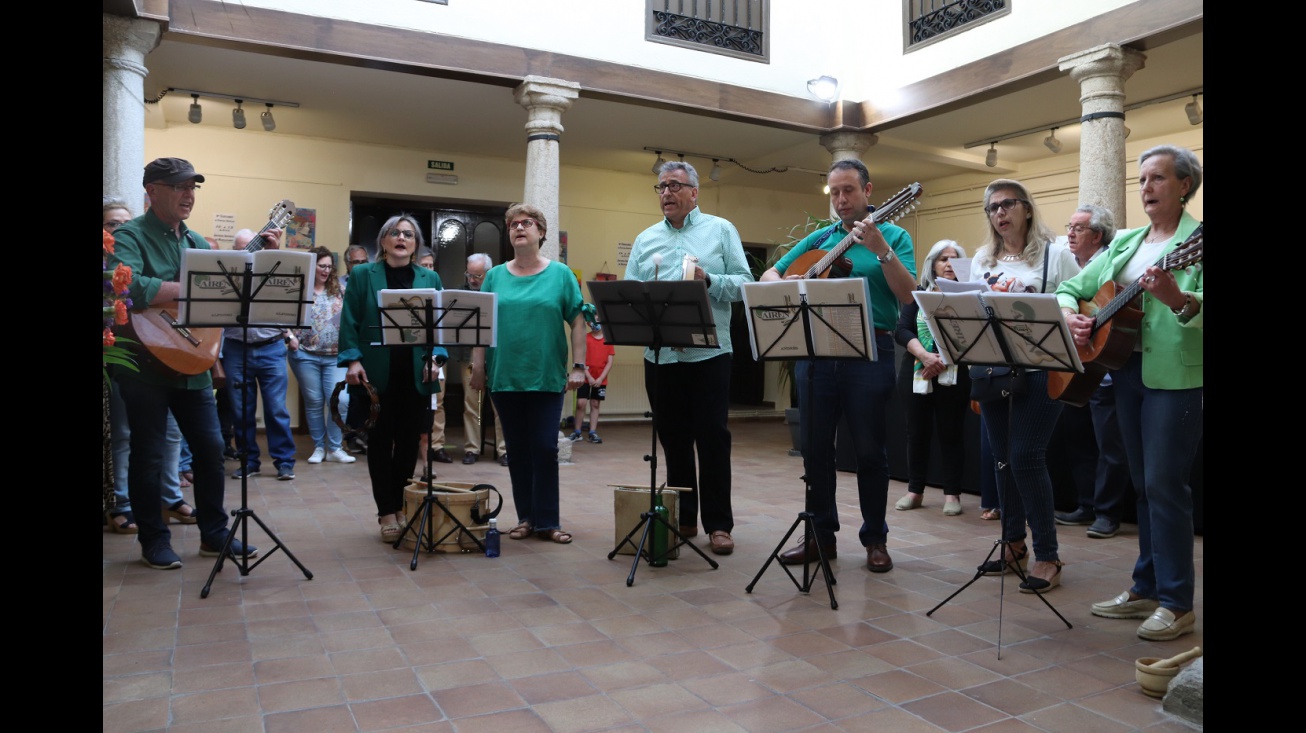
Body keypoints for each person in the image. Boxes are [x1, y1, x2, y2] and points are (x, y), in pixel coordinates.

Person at [1058, 145, 1203, 641]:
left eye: (1158, 179)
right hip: (1124, 370)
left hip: (1176, 379)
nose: (1146, 188)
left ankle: (1177, 602)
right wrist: (1074, 315)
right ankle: (1145, 586)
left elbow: (1198, 311)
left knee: (1166, 485)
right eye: (1141, 179)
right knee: (1141, 485)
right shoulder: (1128, 242)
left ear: (1185, 185)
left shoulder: (1196, 242)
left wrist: (1180, 300)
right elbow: (1071, 288)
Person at [107, 157, 276, 568]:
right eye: (180, 187)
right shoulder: (129, 236)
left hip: (194, 360)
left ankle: (214, 534)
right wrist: (187, 289)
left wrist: (259, 267)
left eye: (193, 187)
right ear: (152, 191)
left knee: (211, 448)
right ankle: (154, 540)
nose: (189, 195)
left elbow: (225, 292)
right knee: (147, 453)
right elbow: (125, 285)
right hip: (144, 361)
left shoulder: (197, 241)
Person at [761, 159, 917, 571]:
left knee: (869, 449)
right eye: (834, 192)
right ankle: (820, 536)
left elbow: (908, 296)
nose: (841, 199)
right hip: (815, 353)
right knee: (814, 449)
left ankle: (875, 540)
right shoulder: (822, 237)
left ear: (868, 190)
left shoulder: (894, 235)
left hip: (870, 351)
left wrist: (881, 250)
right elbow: (768, 276)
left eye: (849, 190)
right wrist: (798, 282)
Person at [625, 161, 754, 555]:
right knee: (673, 440)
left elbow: (746, 284)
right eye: (661, 186)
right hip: (660, 356)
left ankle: (718, 524)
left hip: (709, 354)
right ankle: (683, 517)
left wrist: (709, 280)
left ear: (694, 193)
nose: (666, 192)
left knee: (712, 440)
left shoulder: (720, 229)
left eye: (675, 186)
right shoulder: (645, 238)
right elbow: (630, 290)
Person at [970, 178, 1080, 593]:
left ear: (1027, 209)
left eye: (1008, 204)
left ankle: (1048, 555)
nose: (1000, 213)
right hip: (995, 369)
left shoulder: (1057, 255)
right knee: (1001, 458)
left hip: (1042, 370)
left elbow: (1078, 300)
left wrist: (1038, 300)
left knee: (1025, 456)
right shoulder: (982, 259)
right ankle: (1013, 542)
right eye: (993, 207)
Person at [470, 203, 585, 544]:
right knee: (517, 450)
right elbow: (480, 324)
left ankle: (548, 521)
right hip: (505, 376)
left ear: (541, 232)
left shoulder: (561, 275)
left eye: (527, 223)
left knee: (545, 446)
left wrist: (579, 366)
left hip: (547, 375)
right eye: (513, 225)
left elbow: (578, 320)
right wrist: (478, 366)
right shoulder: (495, 276)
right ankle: (525, 518)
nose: (519, 228)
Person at [339, 214, 448, 542]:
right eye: (395, 233)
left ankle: (401, 504)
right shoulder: (362, 275)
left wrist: (436, 356)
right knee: (380, 442)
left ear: (415, 245)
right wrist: (352, 360)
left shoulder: (430, 277)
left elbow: (440, 329)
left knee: (410, 442)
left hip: (416, 373)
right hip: (376, 374)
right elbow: (350, 320)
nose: (402, 238)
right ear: (383, 242)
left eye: (409, 234)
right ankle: (386, 511)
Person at [104, 196, 199, 535]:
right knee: (125, 434)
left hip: (154, 352)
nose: (119, 229)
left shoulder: (142, 255)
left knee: (172, 433)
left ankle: (170, 497)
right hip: (117, 356)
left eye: (123, 223)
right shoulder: (115, 265)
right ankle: (121, 501)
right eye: (112, 224)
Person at [1053, 204, 1131, 539]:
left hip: (1111, 371)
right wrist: (1073, 317)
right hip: (1081, 367)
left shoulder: (1119, 260)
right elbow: (1068, 294)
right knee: (1079, 440)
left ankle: (1108, 513)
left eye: (1078, 228)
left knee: (1110, 447)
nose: (1069, 233)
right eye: (1069, 227)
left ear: (1097, 235)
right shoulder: (1078, 271)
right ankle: (1087, 504)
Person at [893, 240, 971, 517]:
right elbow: (901, 331)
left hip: (955, 374)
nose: (949, 264)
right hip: (916, 371)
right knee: (916, 433)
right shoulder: (917, 295)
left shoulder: (969, 297)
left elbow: (971, 335)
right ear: (932, 264)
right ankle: (915, 491)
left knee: (951, 433)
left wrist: (940, 359)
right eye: (943, 259)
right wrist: (925, 357)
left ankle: (952, 494)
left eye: (955, 259)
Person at [224, 228, 298, 482]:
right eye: (243, 249)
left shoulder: (273, 273)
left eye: (253, 247)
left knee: (277, 409)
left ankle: (285, 462)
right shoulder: (225, 275)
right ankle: (249, 461)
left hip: (271, 347)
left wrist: (273, 252)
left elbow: (288, 302)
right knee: (241, 411)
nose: (248, 253)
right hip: (235, 347)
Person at [287, 247, 356, 465]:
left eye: (328, 266)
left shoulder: (341, 290)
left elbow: (350, 319)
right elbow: (282, 317)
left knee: (340, 401)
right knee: (315, 401)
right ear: (311, 266)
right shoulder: (298, 290)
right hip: (305, 356)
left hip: (335, 357)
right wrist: (289, 336)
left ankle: (335, 447)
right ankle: (319, 447)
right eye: (321, 266)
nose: (326, 270)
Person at [458, 253, 507, 465]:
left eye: (477, 275)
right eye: (469, 274)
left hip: (497, 353)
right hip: (469, 353)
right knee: (472, 403)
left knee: (501, 404)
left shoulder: (501, 290)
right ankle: (472, 448)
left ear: (488, 272)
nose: (472, 279)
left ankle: (505, 450)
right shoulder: (460, 296)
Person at [414, 247, 452, 476]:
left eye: (431, 265)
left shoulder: (439, 290)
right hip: (413, 355)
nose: (428, 269)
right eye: (424, 265)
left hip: (434, 357)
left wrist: (436, 358)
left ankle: (431, 457)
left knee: (434, 406)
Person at [341, 244, 371, 454]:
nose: (360, 266)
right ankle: (351, 436)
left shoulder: (372, 282)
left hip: (366, 346)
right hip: (344, 347)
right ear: (347, 265)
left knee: (366, 395)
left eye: (364, 262)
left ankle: (365, 435)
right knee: (349, 397)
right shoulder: (339, 285)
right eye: (356, 262)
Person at [570, 317, 615, 444]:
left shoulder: (608, 340)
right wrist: (588, 376)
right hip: (585, 377)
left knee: (595, 404)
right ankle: (577, 432)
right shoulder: (585, 338)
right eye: (592, 321)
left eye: (598, 320)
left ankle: (592, 432)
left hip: (600, 379)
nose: (595, 323)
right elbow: (581, 359)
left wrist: (600, 378)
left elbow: (610, 362)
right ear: (589, 323)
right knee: (581, 404)